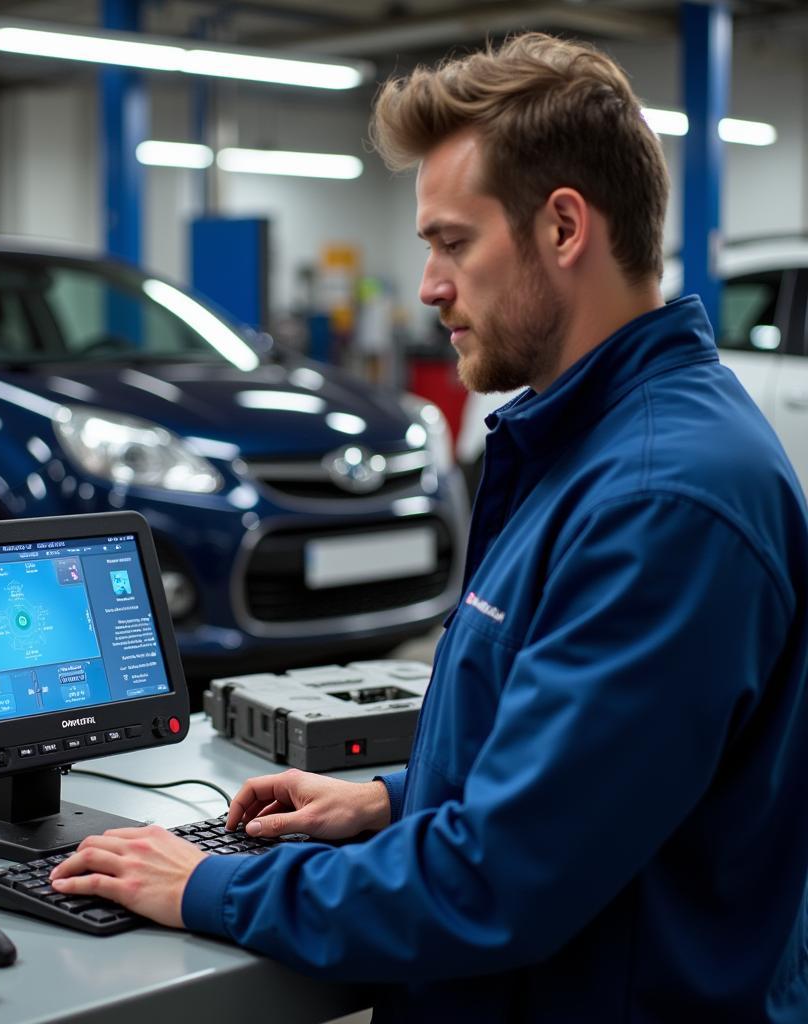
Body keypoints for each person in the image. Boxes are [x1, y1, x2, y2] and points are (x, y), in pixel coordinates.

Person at [49, 32, 808, 1022]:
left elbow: (495, 883)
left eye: (453, 241)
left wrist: (203, 884)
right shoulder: (583, 444)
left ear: (563, 227)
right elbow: (576, 774)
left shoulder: (662, 502)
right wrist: (394, 800)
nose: (428, 287)